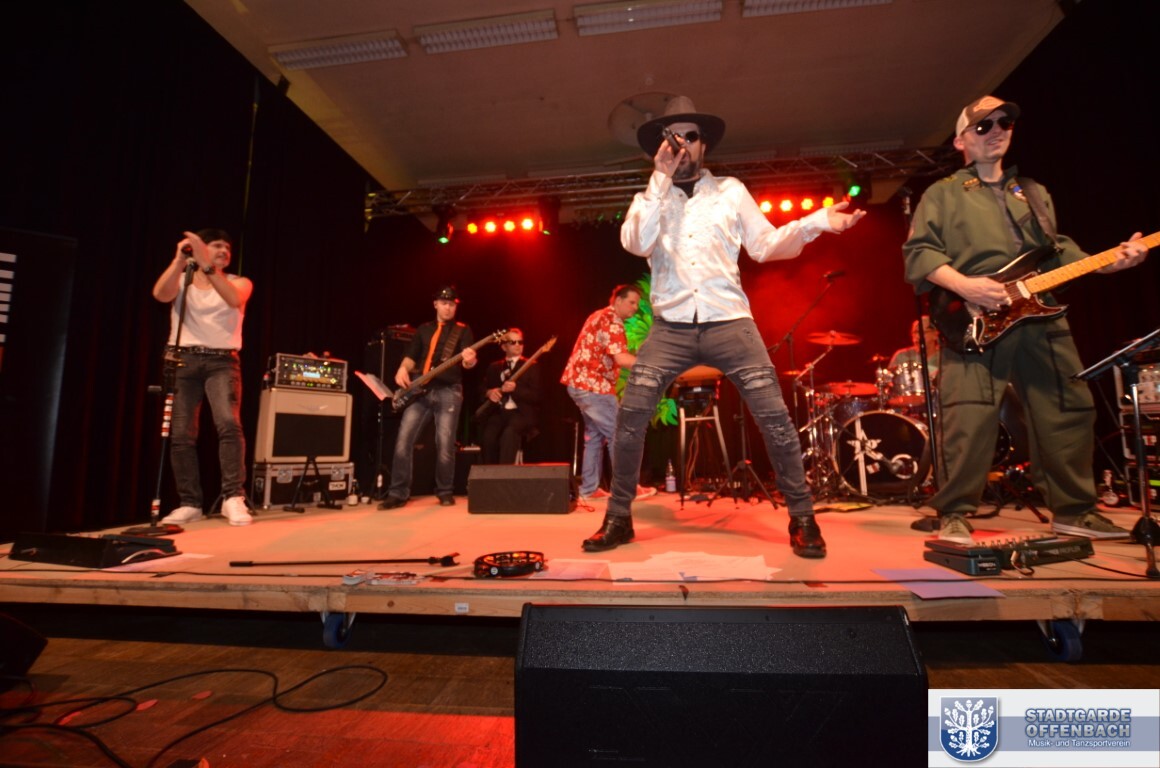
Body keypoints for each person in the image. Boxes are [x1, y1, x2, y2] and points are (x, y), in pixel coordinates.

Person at [582, 96, 865, 557]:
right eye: (672, 137)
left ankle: (803, 519)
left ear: (704, 145)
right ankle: (618, 519)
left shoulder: (731, 191)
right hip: (671, 328)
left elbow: (765, 244)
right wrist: (659, 180)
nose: (681, 145)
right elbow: (635, 243)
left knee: (775, 419)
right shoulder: (649, 198)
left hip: (730, 322)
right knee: (630, 419)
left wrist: (817, 222)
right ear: (660, 147)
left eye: (690, 136)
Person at [902, 95, 1150, 545]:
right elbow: (920, 254)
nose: (997, 131)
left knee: (1069, 407)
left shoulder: (1033, 192)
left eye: (1005, 123)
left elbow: (1058, 253)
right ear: (960, 141)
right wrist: (966, 286)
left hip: (1040, 314)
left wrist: (1113, 262)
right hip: (976, 316)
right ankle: (955, 513)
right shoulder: (943, 194)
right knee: (968, 415)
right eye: (983, 126)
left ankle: (1075, 510)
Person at [152, 229, 254, 526]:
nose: (224, 251)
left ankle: (233, 497)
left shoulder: (238, 282)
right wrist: (178, 260)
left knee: (228, 425)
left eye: (227, 248)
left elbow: (233, 299)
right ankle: (190, 502)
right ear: (201, 249)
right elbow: (160, 294)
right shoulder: (183, 280)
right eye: (216, 246)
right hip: (182, 359)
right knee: (182, 434)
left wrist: (206, 265)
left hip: (221, 361)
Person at [378, 285, 477, 509]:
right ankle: (398, 493)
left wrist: (470, 360)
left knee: (445, 444)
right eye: (444, 303)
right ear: (435, 304)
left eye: (452, 304)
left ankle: (445, 491)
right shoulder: (423, 329)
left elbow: (468, 362)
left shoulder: (463, 330)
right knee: (403, 440)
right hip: (420, 390)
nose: (448, 308)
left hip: (449, 390)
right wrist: (402, 369)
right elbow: (411, 356)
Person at [561, 285, 656, 501]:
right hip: (593, 386)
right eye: (631, 302)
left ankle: (589, 489)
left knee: (594, 437)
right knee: (619, 434)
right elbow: (621, 359)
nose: (635, 308)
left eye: (637, 304)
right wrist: (649, 367)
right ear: (618, 300)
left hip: (580, 383)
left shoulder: (598, 315)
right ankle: (627, 488)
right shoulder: (612, 320)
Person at [479, 329, 542, 464]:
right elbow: (482, 389)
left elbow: (537, 396)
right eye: (513, 342)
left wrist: (516, 389)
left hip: (521, 413)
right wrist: (489, 393)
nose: (518, 345)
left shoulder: (531, 366)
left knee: (509, 434)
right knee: (488, 436)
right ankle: (488, 474)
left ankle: (504, 473)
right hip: (499, 412)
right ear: (504, 347)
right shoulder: (494, 367)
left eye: (520, 342)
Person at [885, 316, 940, 410]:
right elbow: (888, 384)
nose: (917, 337)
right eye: (914, 333)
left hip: (937, 407)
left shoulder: (945, 357)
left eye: (922, 332)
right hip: (905, 409)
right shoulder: (901, 356)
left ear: (935, 334)